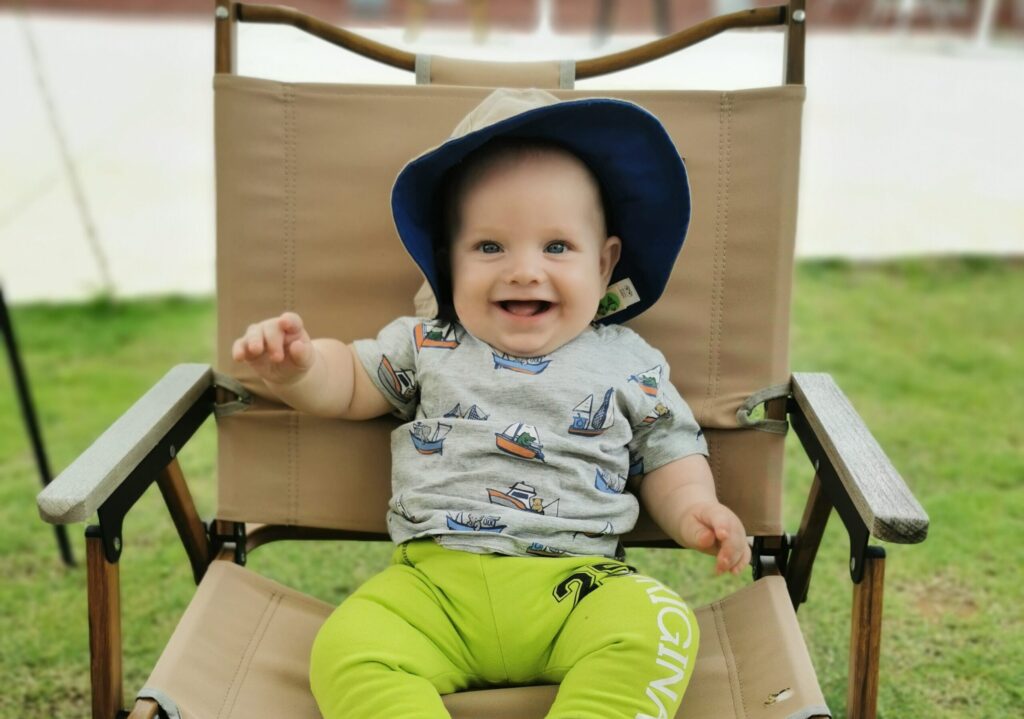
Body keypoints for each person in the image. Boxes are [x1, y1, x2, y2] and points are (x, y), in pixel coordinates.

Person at [232, 88, 751, 719]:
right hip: (431, 590)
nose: (525, 271)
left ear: (606, 262)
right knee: (347, 648)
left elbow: (670, 454)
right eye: (489, 247)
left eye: (557, 247)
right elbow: (348, 383)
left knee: (660, 626)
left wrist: (697, 509)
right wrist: (301, 366)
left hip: (577, 588)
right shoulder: (428, 342)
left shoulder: (629, 362)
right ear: (446, 264)